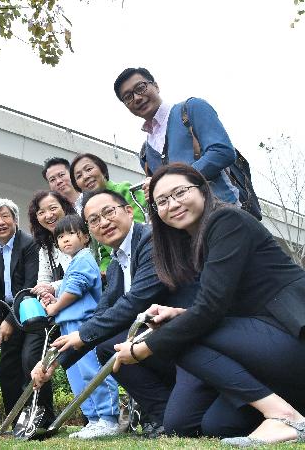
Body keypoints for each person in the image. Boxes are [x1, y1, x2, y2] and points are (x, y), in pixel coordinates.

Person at [112, 163, 305, 445]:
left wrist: (142, 350)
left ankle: (285, 416)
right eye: (162, 201)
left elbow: (211, 310)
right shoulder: (193, 242)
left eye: (180, 192)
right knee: (216, 425)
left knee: (177, 335)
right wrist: (180, 312)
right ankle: (286, 407)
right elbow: (225, 306)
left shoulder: (227, 221)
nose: (173, 204)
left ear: (203, 189)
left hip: (291, 335)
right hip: (268, 344)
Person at [31, 189, 196, 438]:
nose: (104, 223)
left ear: (128, 211)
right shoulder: (118, 262)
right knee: (109, 346)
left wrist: (81, 335)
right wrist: (53, 362)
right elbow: (102, 313)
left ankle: (168, 412)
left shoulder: (152, 241)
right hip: (158, 342)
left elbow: (135, 302)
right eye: (94, 220)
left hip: (189, 342)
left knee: (214, 424)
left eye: (109, 212)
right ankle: (160, 414)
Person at [39, 215, 120, 439]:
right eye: (60, 237)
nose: (65, 240)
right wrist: (54, 300)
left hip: (83, 325)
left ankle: (108, 418)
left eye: (71, 234)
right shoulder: (75, 261)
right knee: (76, 375)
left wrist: (54, 308)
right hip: (68, 326)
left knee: (92, 370)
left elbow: (75, 289)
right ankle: (94, 419)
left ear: (85, 237)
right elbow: (68, 289)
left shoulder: (84, 258)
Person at [113, 67, 240, 204]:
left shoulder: (191, 108)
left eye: (140, 87)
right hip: (184, 222)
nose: (137, 98)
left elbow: (223, 152)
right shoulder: (145, 153)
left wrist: (172, 180)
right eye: (127, 97)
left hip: (223, 213)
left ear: (156, 86)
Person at [0, 198, 54, 427]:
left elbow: (29, 286)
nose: (0, 222)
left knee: (30, 361)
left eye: (5, 216)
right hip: (7, 315)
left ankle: (42, 418)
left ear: (15, 219)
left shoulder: (30, 244)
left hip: (32, 314)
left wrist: (10, 321)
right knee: (7, 369)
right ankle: (16, 420)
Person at [70, 153, 148, 273]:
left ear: (103, 171)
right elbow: (105, 251)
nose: (85, 176)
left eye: (89, 169)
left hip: (144, 254)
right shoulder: (89, 211)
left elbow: (140, 226)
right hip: (122, 266)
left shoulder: (124, 189)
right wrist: (105, 270)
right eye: (79, 176)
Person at [27, 190, 75, 289]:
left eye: (53, 208)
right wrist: (43, 295)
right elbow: (42, 282)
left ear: (64, 208)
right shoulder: (45, 248)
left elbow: (81, 276)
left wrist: (52, 288)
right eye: (41, 212)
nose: (48, 216)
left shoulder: (80, 234)